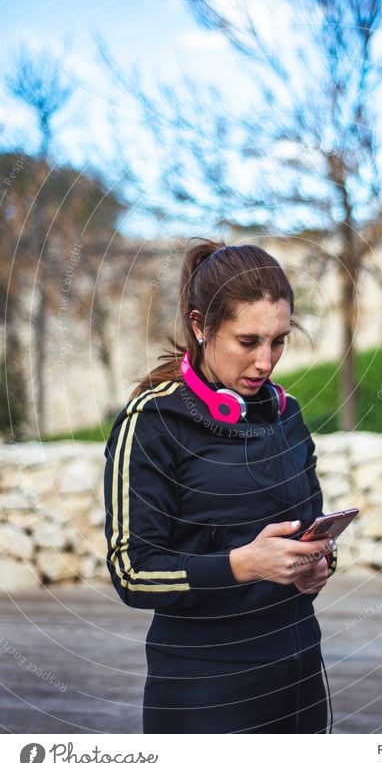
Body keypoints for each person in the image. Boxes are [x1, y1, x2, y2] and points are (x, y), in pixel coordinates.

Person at [103, 239, 338, 734]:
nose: (265, 361)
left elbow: (307, 529)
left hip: (298, 676)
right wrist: (242, 566)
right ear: (199, 326)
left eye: (279, 340)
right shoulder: (153, 421)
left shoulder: (286, 414)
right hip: (204, 689)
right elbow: (132, 572)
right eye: (248, 341)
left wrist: (318, 562)